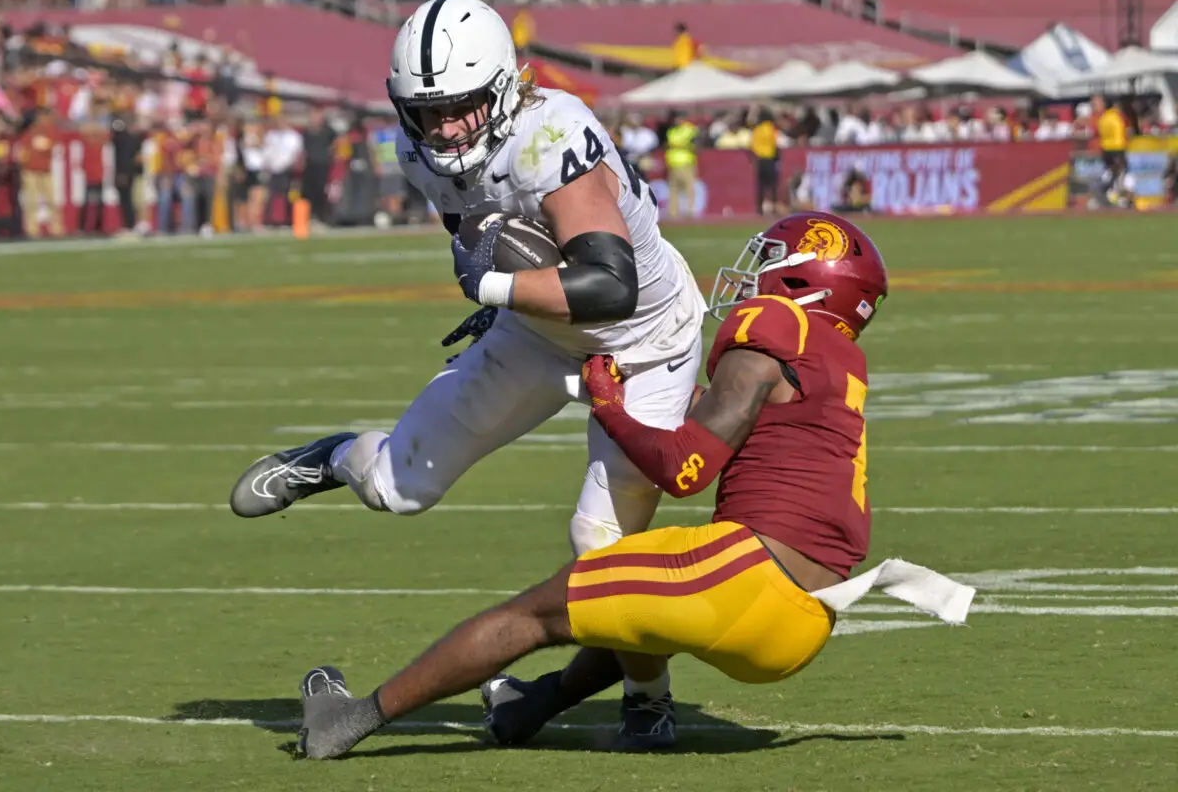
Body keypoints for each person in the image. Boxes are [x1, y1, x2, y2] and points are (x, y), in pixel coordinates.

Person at [293, 212, 974, 760]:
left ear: (806, 281)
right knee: (643, 608)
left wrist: (610, 406)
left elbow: (686, 470)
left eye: (770, 262)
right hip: (806, 622)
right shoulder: (840, 361)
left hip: (747, 579)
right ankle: (537, 705)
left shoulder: (775, 324)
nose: (752, 276)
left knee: (532, 615)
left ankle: (348, 721)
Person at [228, 0, 705, 750]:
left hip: (646, 342)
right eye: (430, 109)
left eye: (462, 105)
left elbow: (611, 283)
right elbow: (478, 232)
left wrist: (493, 286)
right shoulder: (417, 149)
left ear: (505, 88)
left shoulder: (552, 133)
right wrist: (503, 293)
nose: (445, 126)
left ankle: (648, 697)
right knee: (396, 488)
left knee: (602, 548)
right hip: (539, 333)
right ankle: (328, 457)